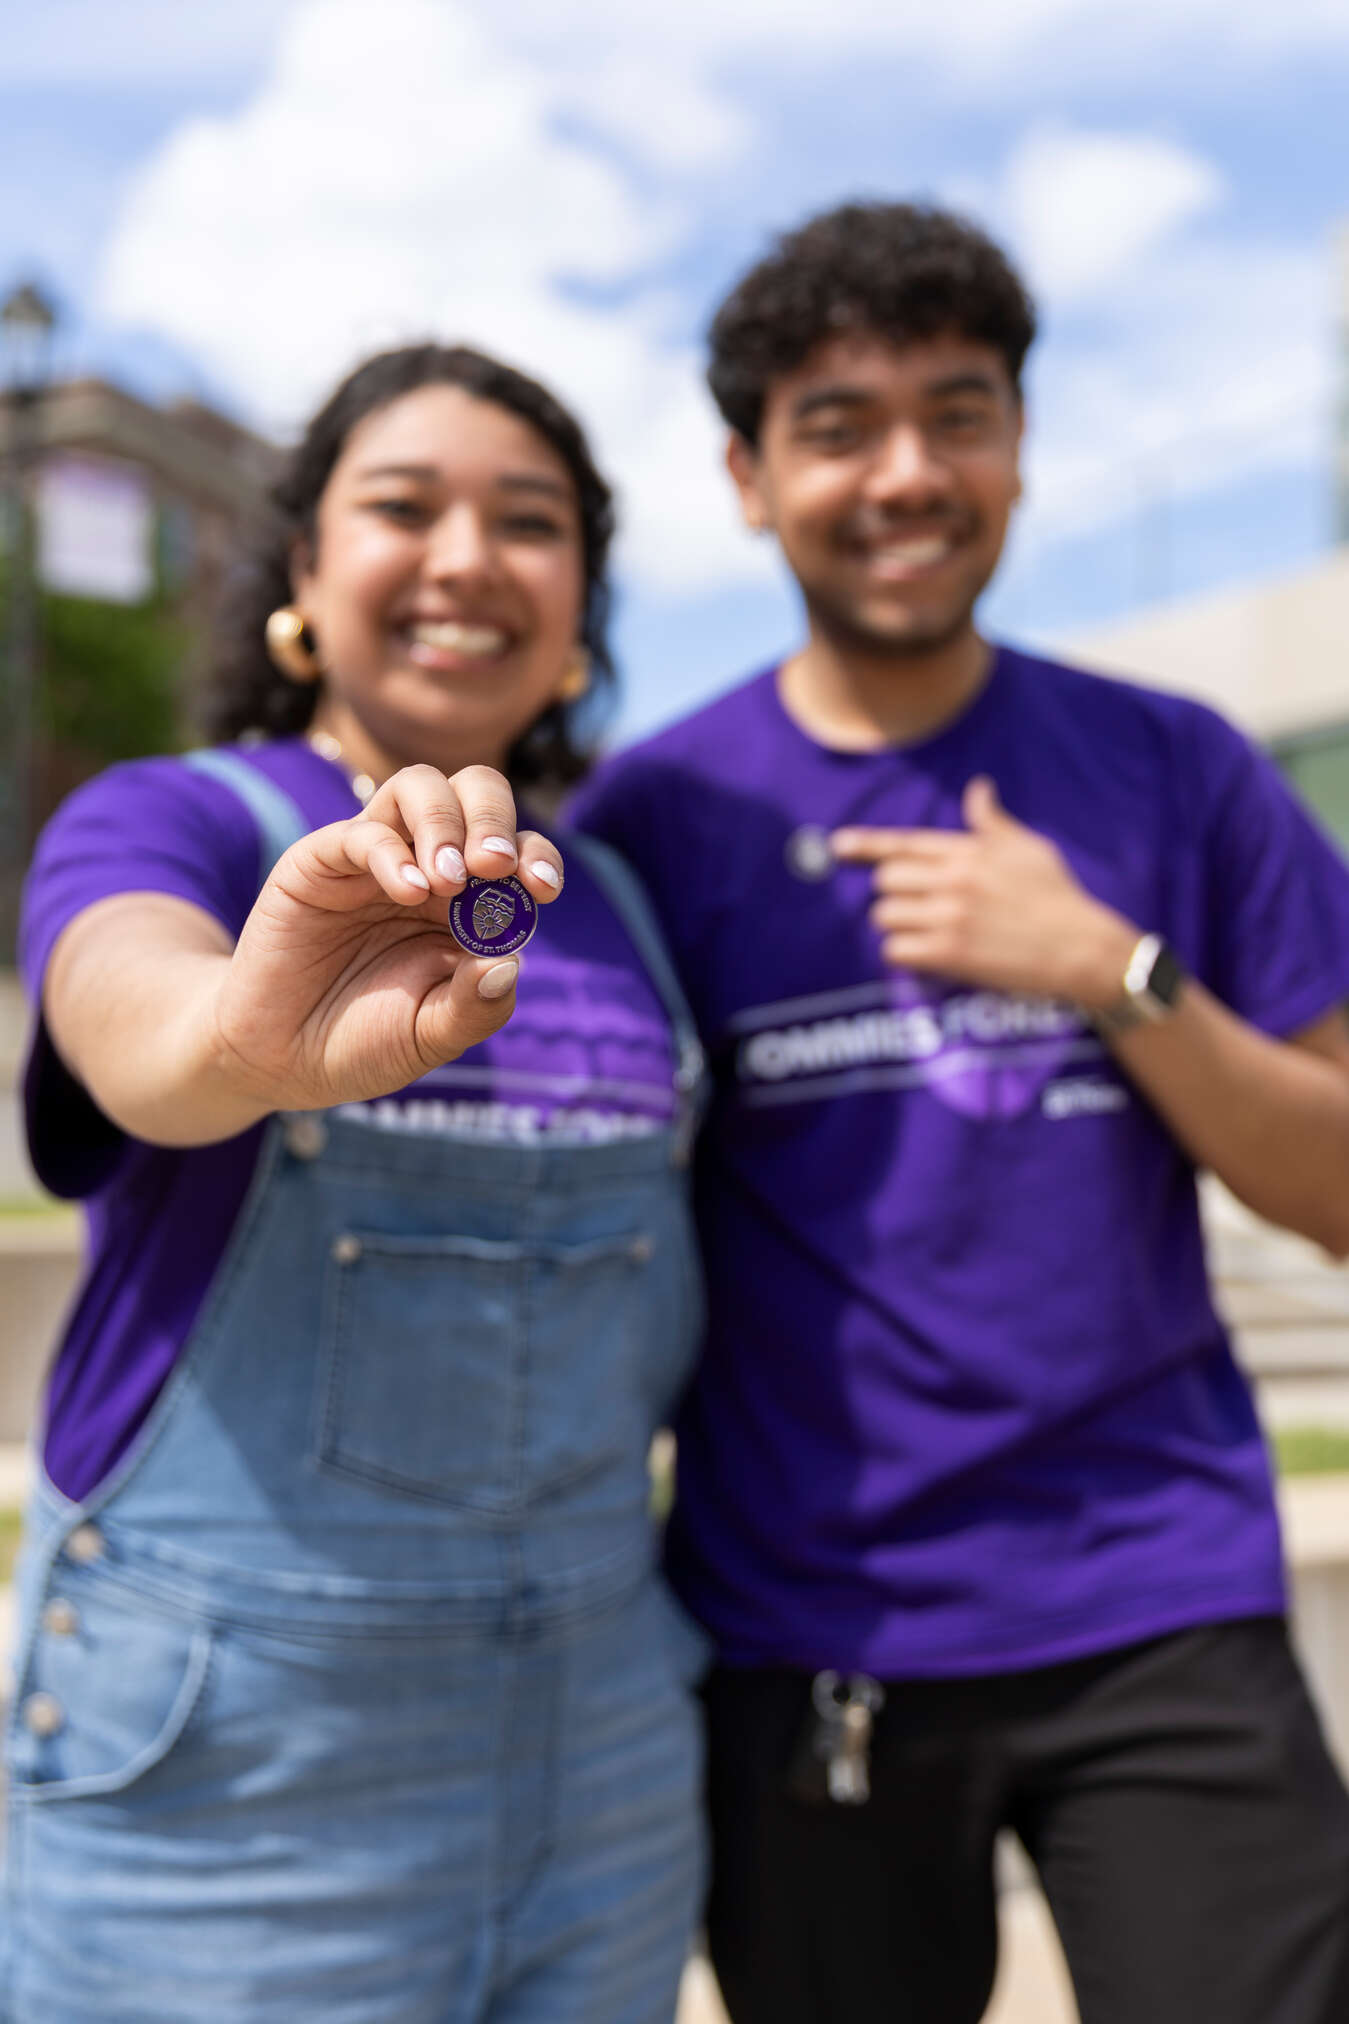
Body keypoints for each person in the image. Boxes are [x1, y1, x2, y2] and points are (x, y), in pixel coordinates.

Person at [572, 202, 1349, 2024]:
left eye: (958, 410)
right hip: (807, 1632)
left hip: (1160, 1600)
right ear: (748, 477)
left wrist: (1109, 969)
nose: (905, 471)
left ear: (1016, 445)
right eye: (836, 425)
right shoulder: (650, 823)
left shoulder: (1175, 766)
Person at [7, 343, 708, 2023]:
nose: (466, 556)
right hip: (233, 1777)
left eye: (528, 522)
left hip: (607, 1759)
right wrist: (248, 1040)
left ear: (577, 608)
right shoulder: (167, 819)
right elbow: (127, 1016)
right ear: (303, 579)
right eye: (403, 507)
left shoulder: (619, 885)